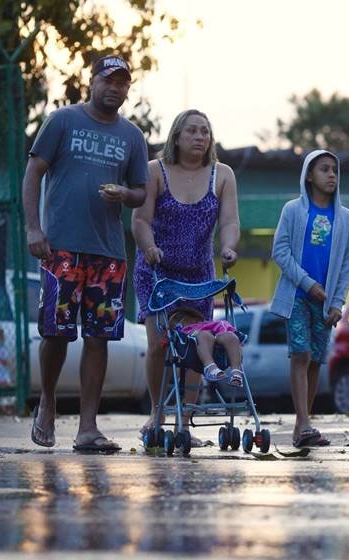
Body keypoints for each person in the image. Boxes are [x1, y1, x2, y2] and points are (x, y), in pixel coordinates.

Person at [22, 54, 149, 451]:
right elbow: (33, 172)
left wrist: (126, 194)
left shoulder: (133, 137)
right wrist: (33, 227)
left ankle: (88, 427)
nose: (115, 88)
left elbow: (141, 192)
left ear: (128, 90)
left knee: (99, 338)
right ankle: (47, 402)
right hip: (60, 247)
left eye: (123, 82)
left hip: (108, 253)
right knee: (56, 334)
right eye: (108, 80)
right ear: (92, 81)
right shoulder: (63, 120)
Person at [132, 109, 239, 445]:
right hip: (157, 273)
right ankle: (156, 411)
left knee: (195, 346)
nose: (199, 137)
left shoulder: (222, 174)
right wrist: (148, 247)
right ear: (176, 136)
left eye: (205, 131)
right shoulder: (155, 171)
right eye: (192, 131)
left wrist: (230, 247)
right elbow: (139, 220)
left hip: (198, 277)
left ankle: (186, 418)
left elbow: (230, 222)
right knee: (159, 345)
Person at [271, 149, 349, 448]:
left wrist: (337, 302)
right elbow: (280, 251)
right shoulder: (293, 210)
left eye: (334, 170)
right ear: (309, 175)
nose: (331, 175)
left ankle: (301, 425)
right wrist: (308, 284)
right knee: (301, 354)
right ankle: (304, 422)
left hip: (325, 302)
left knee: (316, 360)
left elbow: (348, 263)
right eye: (324, 169)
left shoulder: (345, 218)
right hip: (297, 294)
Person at [167, 307, 244, 387]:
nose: (180, 326)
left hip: (221, 348)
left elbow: (224, 326)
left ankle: (236, 372)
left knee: (231, 336)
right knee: (204, 335)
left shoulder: (209, 324)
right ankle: (210, 367)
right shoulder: (186, 332)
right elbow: (188, 336)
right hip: (196, 354)